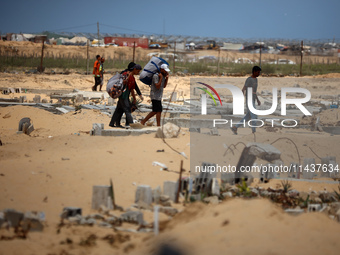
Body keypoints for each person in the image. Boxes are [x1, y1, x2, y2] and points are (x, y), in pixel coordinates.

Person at [109, 64, 142, 128]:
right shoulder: (125, 74)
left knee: (119, 110)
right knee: (127, 110)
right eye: (138, 71)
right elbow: (121, 82)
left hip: (126, 95)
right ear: (134, 69)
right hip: (123, 95)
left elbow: (132, 89)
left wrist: (134, 99)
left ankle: (113, 123)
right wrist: (126, 78)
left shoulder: (133, 78)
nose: (138, 73)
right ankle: (131, 124)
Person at [231, 66, 261, 134]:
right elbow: (244, 88)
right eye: (258, 72)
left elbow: (254, 91)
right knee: (254, 116)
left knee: (248, 117)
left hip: (253, 100)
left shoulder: (256, 80)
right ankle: (254, 132)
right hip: (249, 100)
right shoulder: (249, 79)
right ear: (254, 72)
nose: (259, 74)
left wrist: (257, 99)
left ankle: (235, 127)